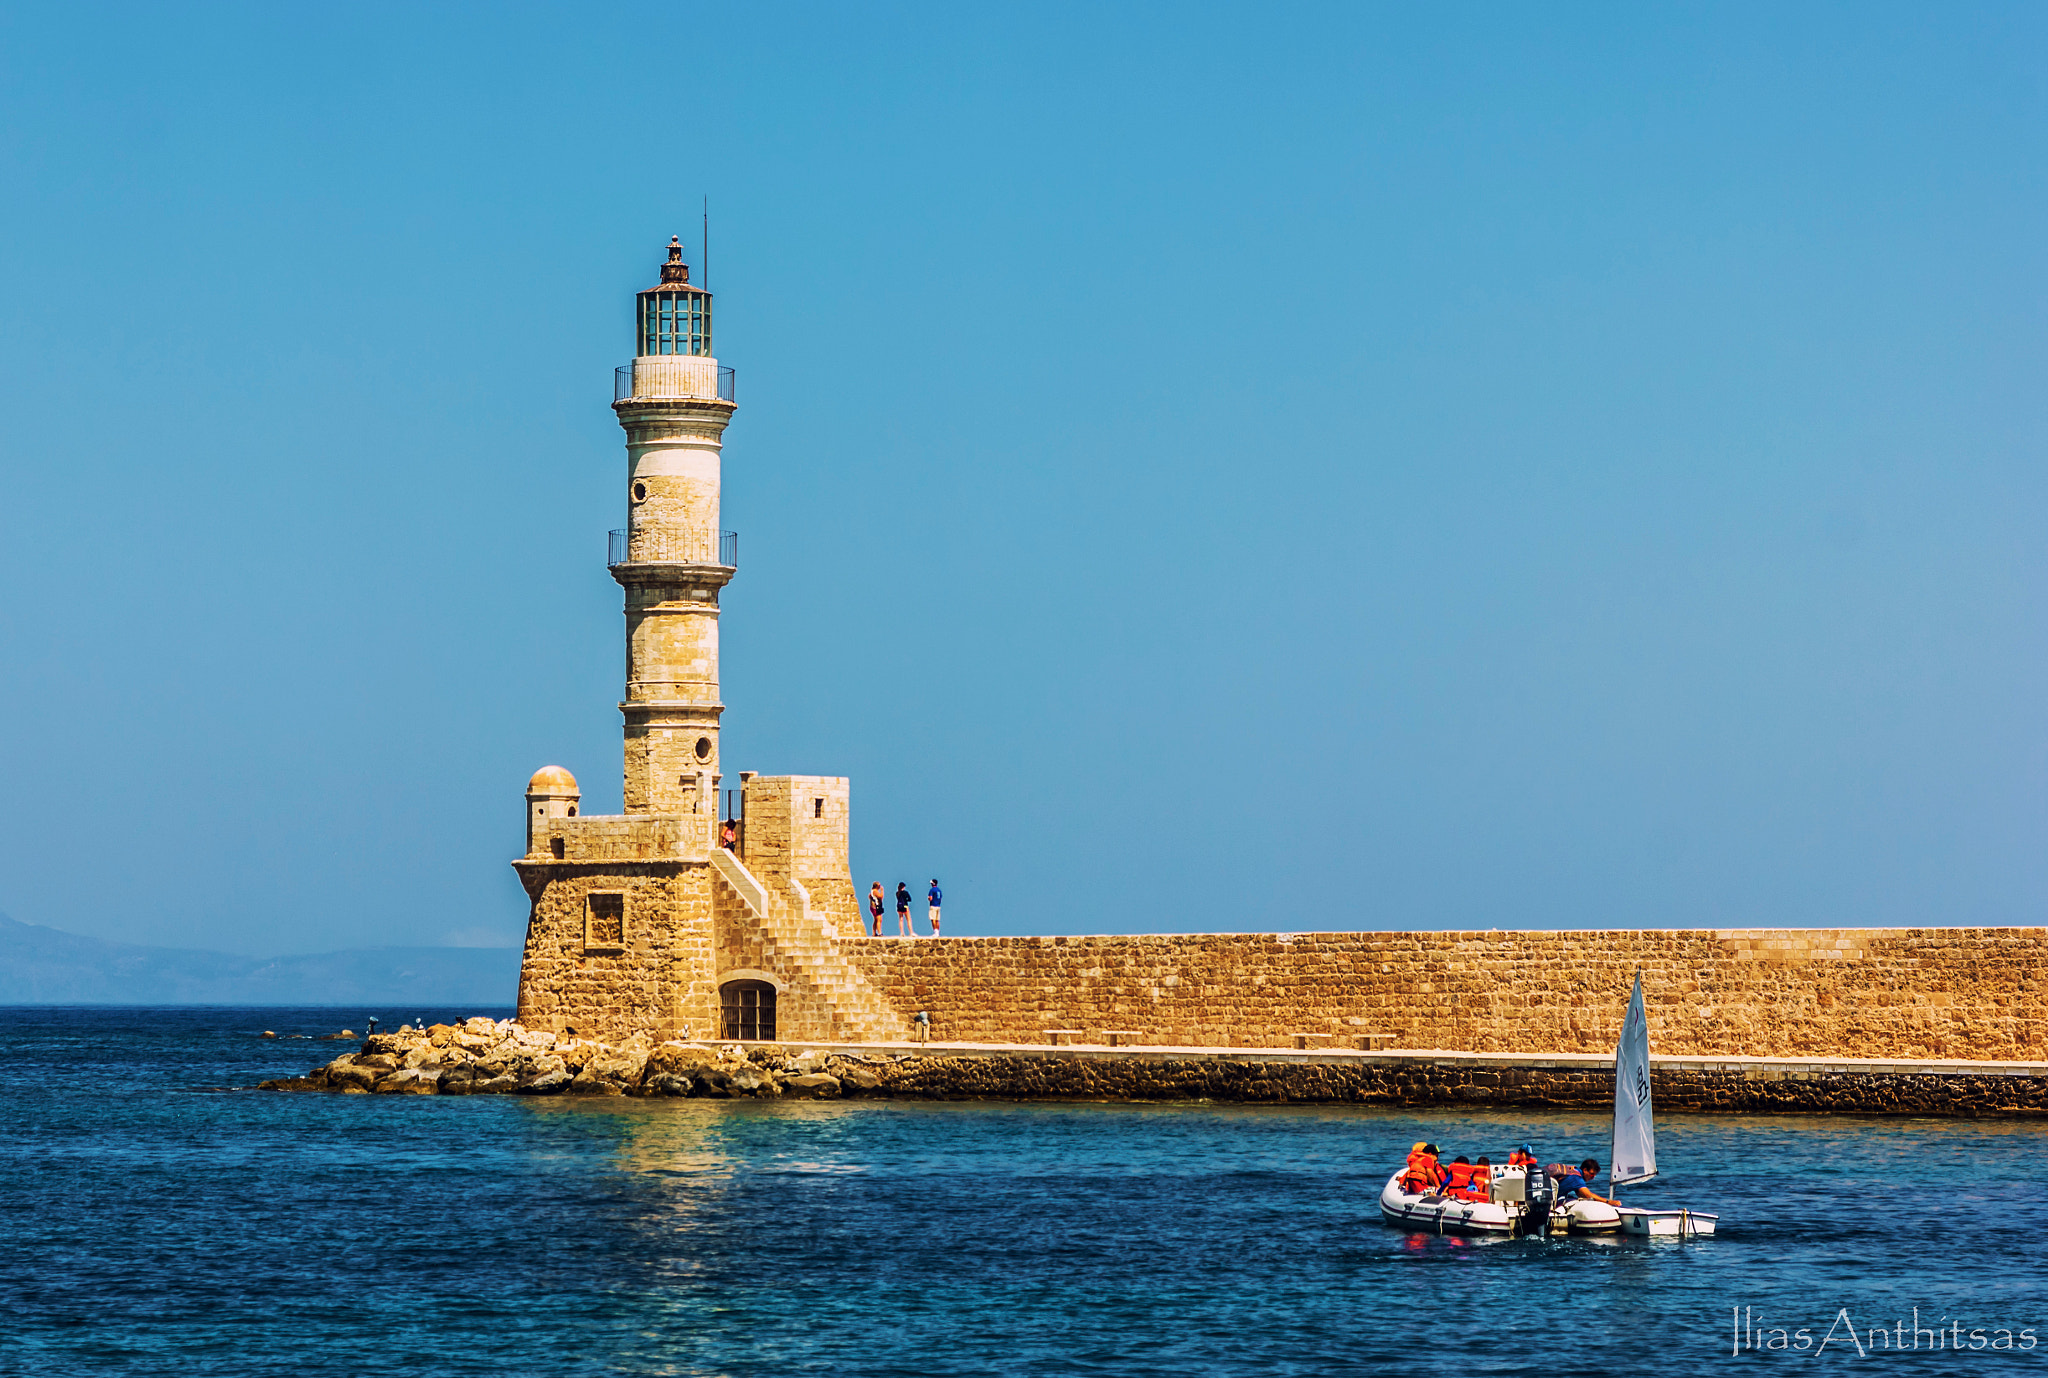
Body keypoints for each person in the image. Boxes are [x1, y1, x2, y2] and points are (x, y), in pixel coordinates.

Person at [1554, 1157, 1622, 1207]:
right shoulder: (1577, 1178)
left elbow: (1581, 1194)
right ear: (1585, 1170)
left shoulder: (1573, 1170)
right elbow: (1588, 1195)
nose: (1593, 1177)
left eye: (1595, 1175)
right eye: (1592, 1174)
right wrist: (1608, 1202)